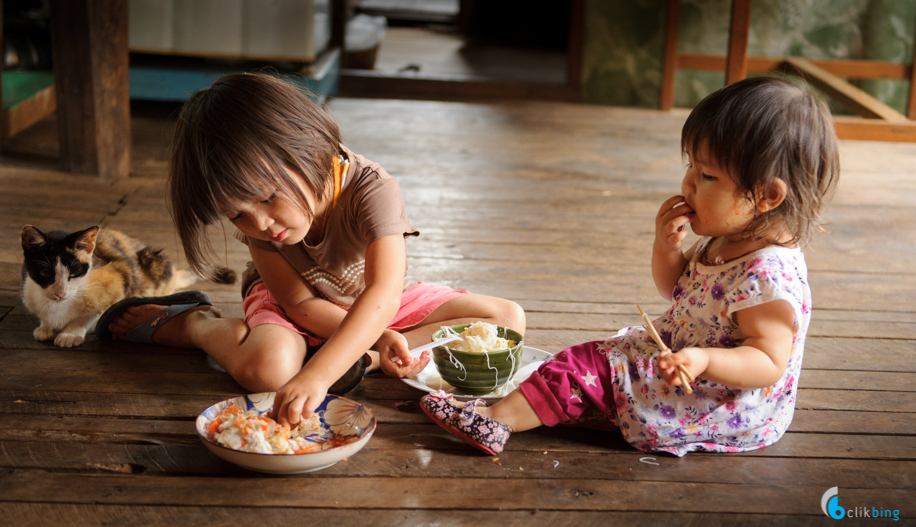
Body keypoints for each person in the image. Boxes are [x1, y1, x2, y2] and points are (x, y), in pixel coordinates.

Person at [420, 76, 840, 457]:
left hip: (716, 400)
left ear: (767, 195)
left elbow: (768, 361)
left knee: (585, 367)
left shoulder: (768, 276)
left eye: (708, 175)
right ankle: (521, 409)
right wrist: (668, 248)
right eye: (689, 166)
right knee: (591, 369)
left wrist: (702, 360)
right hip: (680, 366)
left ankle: (494, 423)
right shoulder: (731, 238)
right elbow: (674, 289)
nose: (688, 184)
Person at [98, 72, 526, 426]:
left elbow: (383, 293)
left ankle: (358, 357)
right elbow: (300, 302)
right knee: (269, 371)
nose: (260, 224)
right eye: (237, 216)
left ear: (307, 147)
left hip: (371, 303)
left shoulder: (372, 189)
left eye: (267, 198)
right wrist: (343, 358)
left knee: (505, 320)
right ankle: (195, 325)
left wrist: (333, 366)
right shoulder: (263, 231)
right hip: (295, 306)